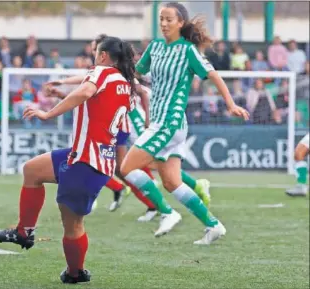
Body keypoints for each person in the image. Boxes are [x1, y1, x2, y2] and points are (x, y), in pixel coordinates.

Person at [0, 36, 137, 284]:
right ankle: (24, 232)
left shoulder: (101, 72)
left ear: (102, 56)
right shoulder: (124, 83)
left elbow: (86, 91)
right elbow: (95, 105)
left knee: (73, 225)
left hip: (86, 162)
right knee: (32, 170)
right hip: (89, 156)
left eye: (94, 53)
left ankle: (74, 273)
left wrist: (47, 113)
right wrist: (62, 92)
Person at [119, 2, 249, 245]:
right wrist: (120, 66)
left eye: (169, 19)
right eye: (162, 19)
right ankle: (213, 225)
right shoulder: (156, 46)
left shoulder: (188, 50)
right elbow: (138, 71)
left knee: (125, 168)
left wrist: (230, 104)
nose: (164, 23)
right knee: (171, 182)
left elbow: (213, 75)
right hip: (160, 122)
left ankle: (167, 212)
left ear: (181, 23)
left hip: (170, 123)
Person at [45, 35, 211, 221]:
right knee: (138, 165)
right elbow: (88, 98)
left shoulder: (115, 72)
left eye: (95, 49)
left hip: (131, 124)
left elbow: (133, 92)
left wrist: (148, 119)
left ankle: (162, 207)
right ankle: (168, 199)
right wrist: (62, 88)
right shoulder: (105, 73)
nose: (93, 53)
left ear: (104, 54)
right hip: (124, 124)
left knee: (130, 166)